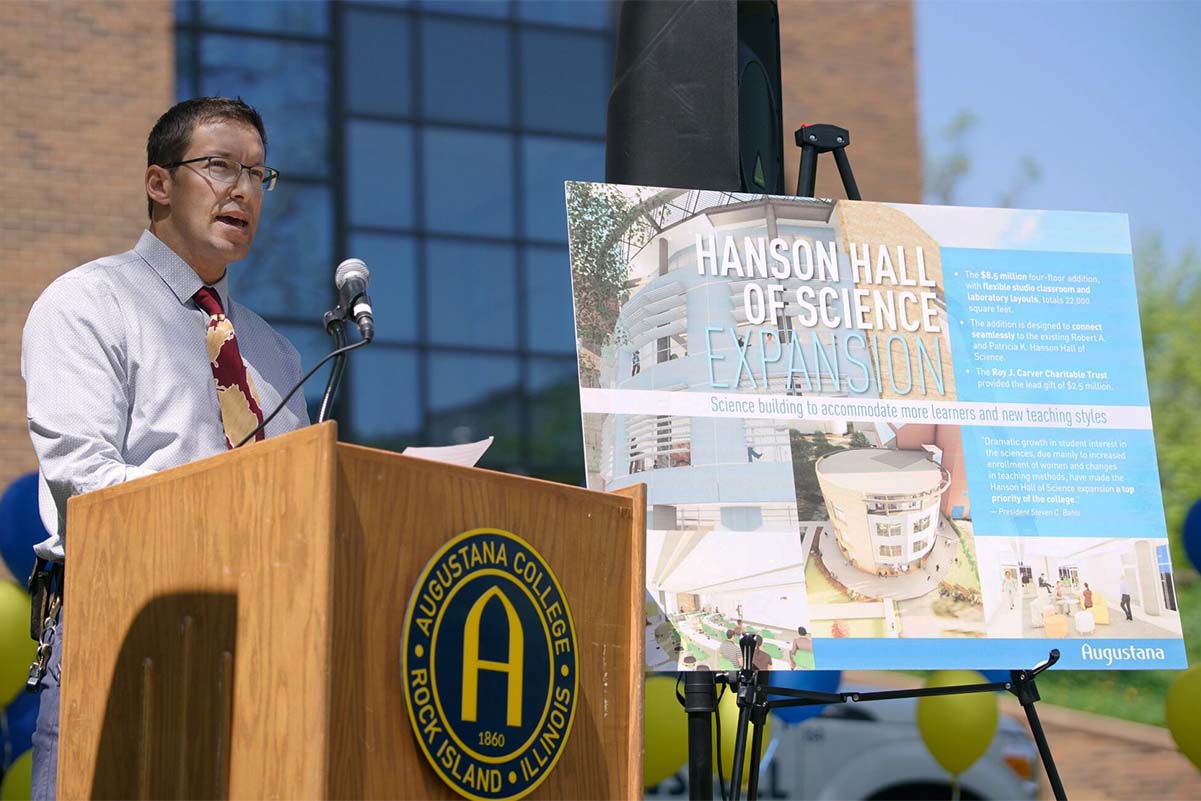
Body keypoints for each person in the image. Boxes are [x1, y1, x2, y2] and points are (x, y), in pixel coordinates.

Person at [21, 97, 310, 801]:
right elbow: (85, 483)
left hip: (263, 660)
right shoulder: (90, 302)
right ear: (159, 183)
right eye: (218, 166)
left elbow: (301, 505)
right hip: (128, 632)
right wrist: (223, 522)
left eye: (257, 174)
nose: (242, 189)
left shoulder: (276, 352)